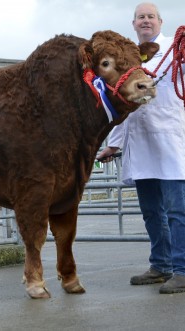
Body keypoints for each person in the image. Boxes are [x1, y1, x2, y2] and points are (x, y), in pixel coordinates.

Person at [97, 2, 185, 294]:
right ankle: (160, 266)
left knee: (177, 210)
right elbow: (124, 101)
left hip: (172, 140)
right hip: (142, 143)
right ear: (134, 24)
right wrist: (114, 143)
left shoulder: (177, 50)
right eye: (140, 17)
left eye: (150, 16)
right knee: (151, 211)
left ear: (160, 22)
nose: (145, 21)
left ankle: (182, 269)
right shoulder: (130, 57)